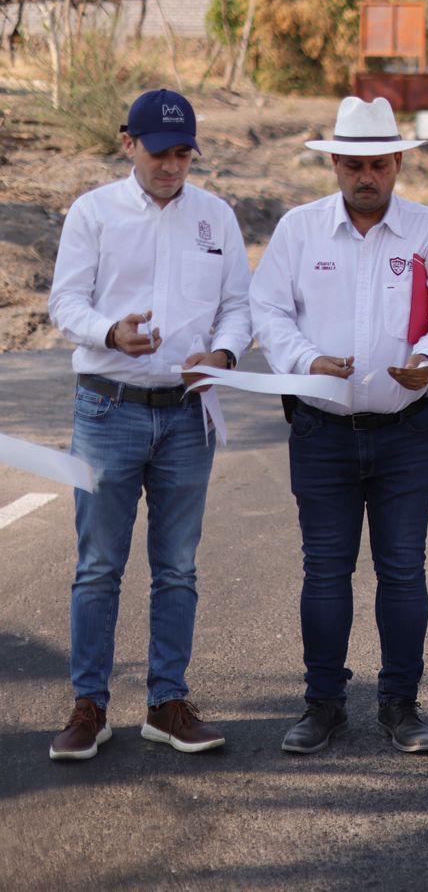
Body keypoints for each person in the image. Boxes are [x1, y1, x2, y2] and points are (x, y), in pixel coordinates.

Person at [250, 96, 428, 754]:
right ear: (335, 164)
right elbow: (268, 311)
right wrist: (304, 360)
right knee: (325, 571)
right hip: (321, 430)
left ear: (398, 162)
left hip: (404, 431)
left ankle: (401, 705)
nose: (364, 175)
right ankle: (324, 706)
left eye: (377, 163)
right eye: (351, 163)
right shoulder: (299, 230)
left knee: (403, 570)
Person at [46, 89, 251, 761]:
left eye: (184, 153)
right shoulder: (93, 213)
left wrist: (221, 354)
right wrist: (109, 330)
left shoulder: (215, 216)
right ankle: (89, 707)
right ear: (127, 142)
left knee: (178, 568)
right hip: (107, 408)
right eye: (160, 152)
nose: (172, 165)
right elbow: (65, 302)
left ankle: (167, 703)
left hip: (188, 416)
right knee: (99, 565)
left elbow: (236, 307)